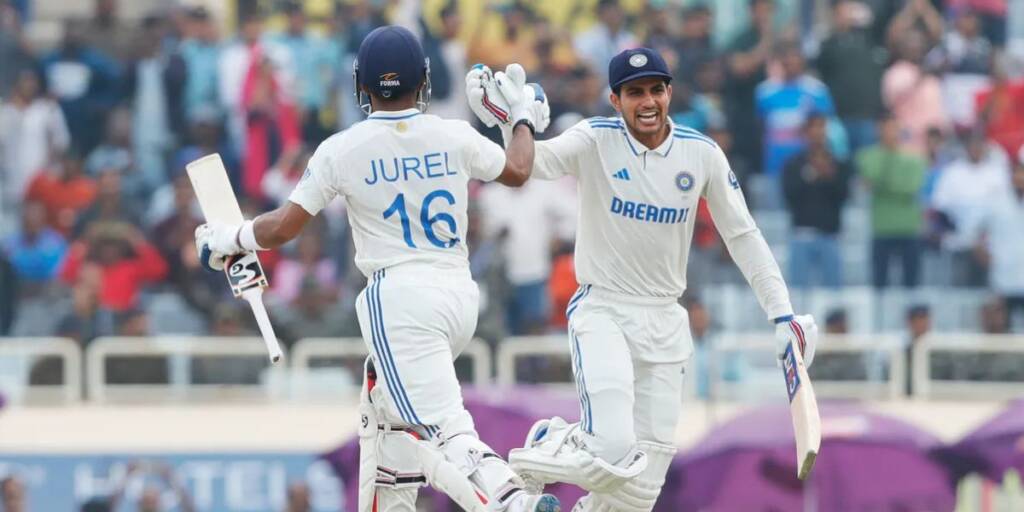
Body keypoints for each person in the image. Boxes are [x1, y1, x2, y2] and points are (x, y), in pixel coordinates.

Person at [194, 26, 557, 512]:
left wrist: (228, 238)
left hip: (400, 301)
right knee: (382, 410)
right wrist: (520, 119)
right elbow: (518, 171)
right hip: (457, 296)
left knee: (444, 429)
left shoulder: (342, 149)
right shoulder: (453, 133)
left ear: (361, 86)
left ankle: (512, 500)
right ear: (423, 80)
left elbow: (282, 229)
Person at [471, 47, 818, 512]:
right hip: (604, 310)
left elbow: (745, 237)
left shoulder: (701, 154)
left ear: (670, 92)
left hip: (665, 320)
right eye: (635, 92)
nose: (648, 101)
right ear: (615, 100)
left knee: (639, 493)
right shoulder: (594, 138)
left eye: (656, 89)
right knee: (612, 446)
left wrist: (782, 315)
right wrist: (516, 122)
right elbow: (528, 166)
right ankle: (553, 438)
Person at [782, 114, 852, 288]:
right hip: (801, 233)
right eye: (813, 128)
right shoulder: (794, 164)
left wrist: (828, 176)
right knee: (798, 295)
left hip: (830, 235)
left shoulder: (838, 165)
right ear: (805, 133)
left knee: (834, 294)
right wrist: (811, 175)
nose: (818, 132)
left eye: (821, 127)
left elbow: (844, 194)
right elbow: (789, 194)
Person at [857, 114, 927, 288]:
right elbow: (868, 182)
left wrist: (882, 187)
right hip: (882, 228)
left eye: (894, 128)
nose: (890, 133)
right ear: (878, 130)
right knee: (879, 284)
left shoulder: (915, 157)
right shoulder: (867, 155)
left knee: (911, 283)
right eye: (886, 128)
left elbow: (912, 187)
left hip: (909, 228)